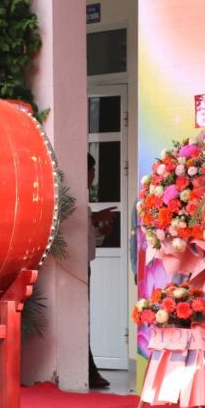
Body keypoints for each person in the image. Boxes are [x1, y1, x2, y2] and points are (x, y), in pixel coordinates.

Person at [88, 153, 116, 390]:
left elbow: (87, 237)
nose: (94, 175)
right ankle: (90, 371)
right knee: (81, 319)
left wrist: (101, 231)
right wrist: (96, 217)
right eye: (92, 170)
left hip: (83, 266)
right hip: (71, 269)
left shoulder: (84, 203)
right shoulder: (72, 199)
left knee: (85, 318)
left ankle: (90, 370)